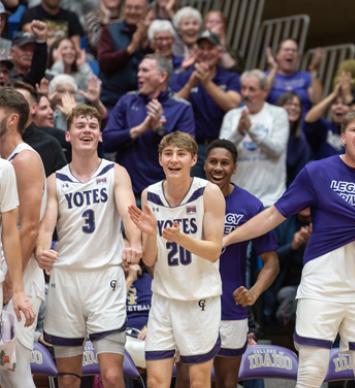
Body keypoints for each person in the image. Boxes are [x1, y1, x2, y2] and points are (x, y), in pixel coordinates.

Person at [224, 109, 355, 387]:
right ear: (343, 136)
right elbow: (273, 215)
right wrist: (228, 238)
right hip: (321, 285)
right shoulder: (317, 172)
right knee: (311, 373)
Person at [36, 105, 142, 388]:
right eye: (80, 125)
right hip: (65, 280)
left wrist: (134, 244)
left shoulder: (116, 173)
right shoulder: (55, 181)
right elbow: (45, 229)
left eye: (92, 126)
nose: (87, 130)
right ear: (68, 135)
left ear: (101, 136)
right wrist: (42, 253)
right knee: (68, 379)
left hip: (105, 278)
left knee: (111, 375)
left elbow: (129, 213)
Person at [128, 131, 225, 388]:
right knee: (157, 380)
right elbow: (150, 259)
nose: (174, 159)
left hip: (199, 298)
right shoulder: (150, 194)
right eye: (168, 154)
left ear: (193, 159)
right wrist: (149, 235)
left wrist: (182, 239)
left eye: (181, 154)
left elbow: (214, 250)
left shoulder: (210, 193)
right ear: (160, 159)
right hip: (164, 297)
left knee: (198, 380)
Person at [203, 139, 279, 388]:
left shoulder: (250, 205)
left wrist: (253, 293)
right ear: (203, 164)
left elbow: (271, 262)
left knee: (227, 383)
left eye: (225, 163)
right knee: (189, 379)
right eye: (213, 161)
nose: (218, 168)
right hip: (192, 303)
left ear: (235, 167)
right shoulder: (188, 200)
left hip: (231, 305)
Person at [104, 54, 195, 197]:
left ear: (162, 76)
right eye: (139, 70)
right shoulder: (127, 101)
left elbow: (187, 153)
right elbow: (107, 141)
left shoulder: (182, 108)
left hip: (162, 195)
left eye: (145, 71)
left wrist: (159, 130)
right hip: (124, 192)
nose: (139, 75)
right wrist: (139, 130)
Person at [0, 88, 40, 387]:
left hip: (19, 277)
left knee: (15, 370)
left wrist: (13, 285)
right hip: (9, 273)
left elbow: (28, 228)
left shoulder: (23, 160)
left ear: (12, 119)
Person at [172, 31, 241, 176]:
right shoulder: (183, 76)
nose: (205, 52)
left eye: (210, 48)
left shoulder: (230, 78)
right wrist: (190, 84)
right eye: (201, 48)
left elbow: (232, 105)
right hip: (192, 147)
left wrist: (207, 83)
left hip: (222, 146)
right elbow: (173, 107)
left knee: (218, 195)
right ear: (195, 52)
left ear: (219, 51)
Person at [219, 69, 288, 207]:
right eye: (243, 88)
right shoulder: (232, 116)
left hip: (270, 200)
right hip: (237, 198)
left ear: (265, 91)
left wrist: (251, 130)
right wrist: (238, 132)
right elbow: (221, 153)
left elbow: (276, 150)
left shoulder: (278, 114)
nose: (245, 94)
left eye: (251, 89)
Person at [97, 0, 150, 109]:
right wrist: (130, 49)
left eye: (137, 8)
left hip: (144, 100)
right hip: (112, 99)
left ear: (146, 11)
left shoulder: (151, 32)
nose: (132, 11)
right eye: (129, 7)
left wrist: (146, 46)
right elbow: (104, 63)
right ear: (123, 9)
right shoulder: (110, 30)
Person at [13, 81, 67, 175]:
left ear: (34, 108)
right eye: (9, 104)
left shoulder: (49, 144)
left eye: (19, 102)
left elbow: (63, 185)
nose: (12, 107)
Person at [303, 71, 355, 160]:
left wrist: (348, 95)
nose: (339, 107)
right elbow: (308, 119)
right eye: (335, 103)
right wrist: (333, 95)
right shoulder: (323, 127)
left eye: (344, 103)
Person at [265, 38, 322, 114]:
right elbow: (261, 96)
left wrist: (314, 70)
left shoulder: (306, 77)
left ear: (298, 58)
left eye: (294, 50)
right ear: (277, 55)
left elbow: (317, 100)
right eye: (286, 50)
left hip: (301, 124)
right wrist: (274, 68)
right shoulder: (266, 76)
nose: (290, 53)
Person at [277, 92, 310, 186]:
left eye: (297, 105)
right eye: (288, 104)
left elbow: (297, 178)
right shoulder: (266, 131)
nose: (293, 108)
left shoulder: (300, 141)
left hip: (281, 192)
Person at [19, 0, 84, 49]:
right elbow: (33, 37)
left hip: (64, 58)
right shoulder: (30, 14)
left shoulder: (71, 17)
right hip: (39, 57)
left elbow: (75, 46)